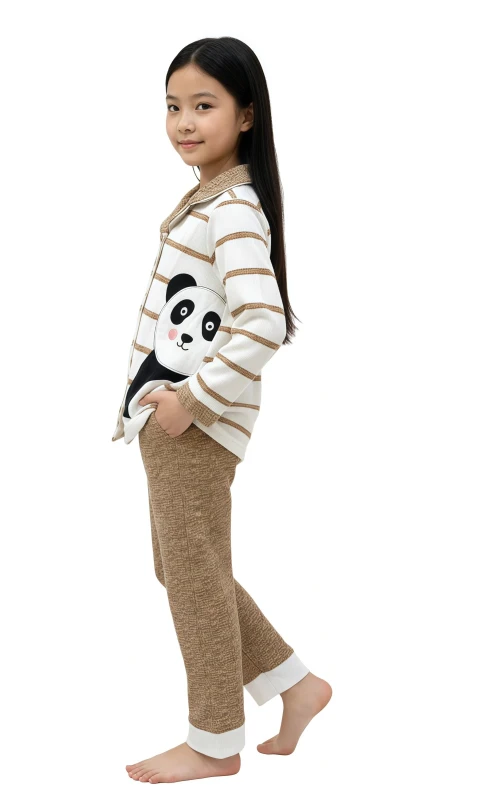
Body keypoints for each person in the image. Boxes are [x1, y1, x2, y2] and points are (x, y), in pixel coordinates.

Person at [112, 36, 332, 784]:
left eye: (204, 105)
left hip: (194, 423)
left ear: (246, 115)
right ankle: (294, 685)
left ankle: (214, 741)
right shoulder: (211, 198)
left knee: (194, 577)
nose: (184, 122)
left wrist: (191, 401)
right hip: (174, 420)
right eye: (173, 106)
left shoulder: (232, 207)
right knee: (182, 568)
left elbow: (262, 320)